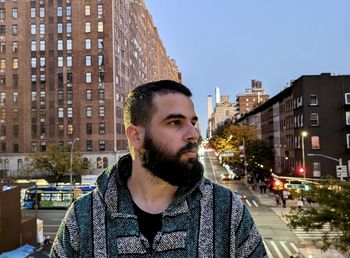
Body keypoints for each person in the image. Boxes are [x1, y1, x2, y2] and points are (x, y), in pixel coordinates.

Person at [50, 80, 267, 257]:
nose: (193, 134)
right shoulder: (84, 216)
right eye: (175, 122)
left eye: (193, 122)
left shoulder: (227, 210)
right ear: (136, 136)